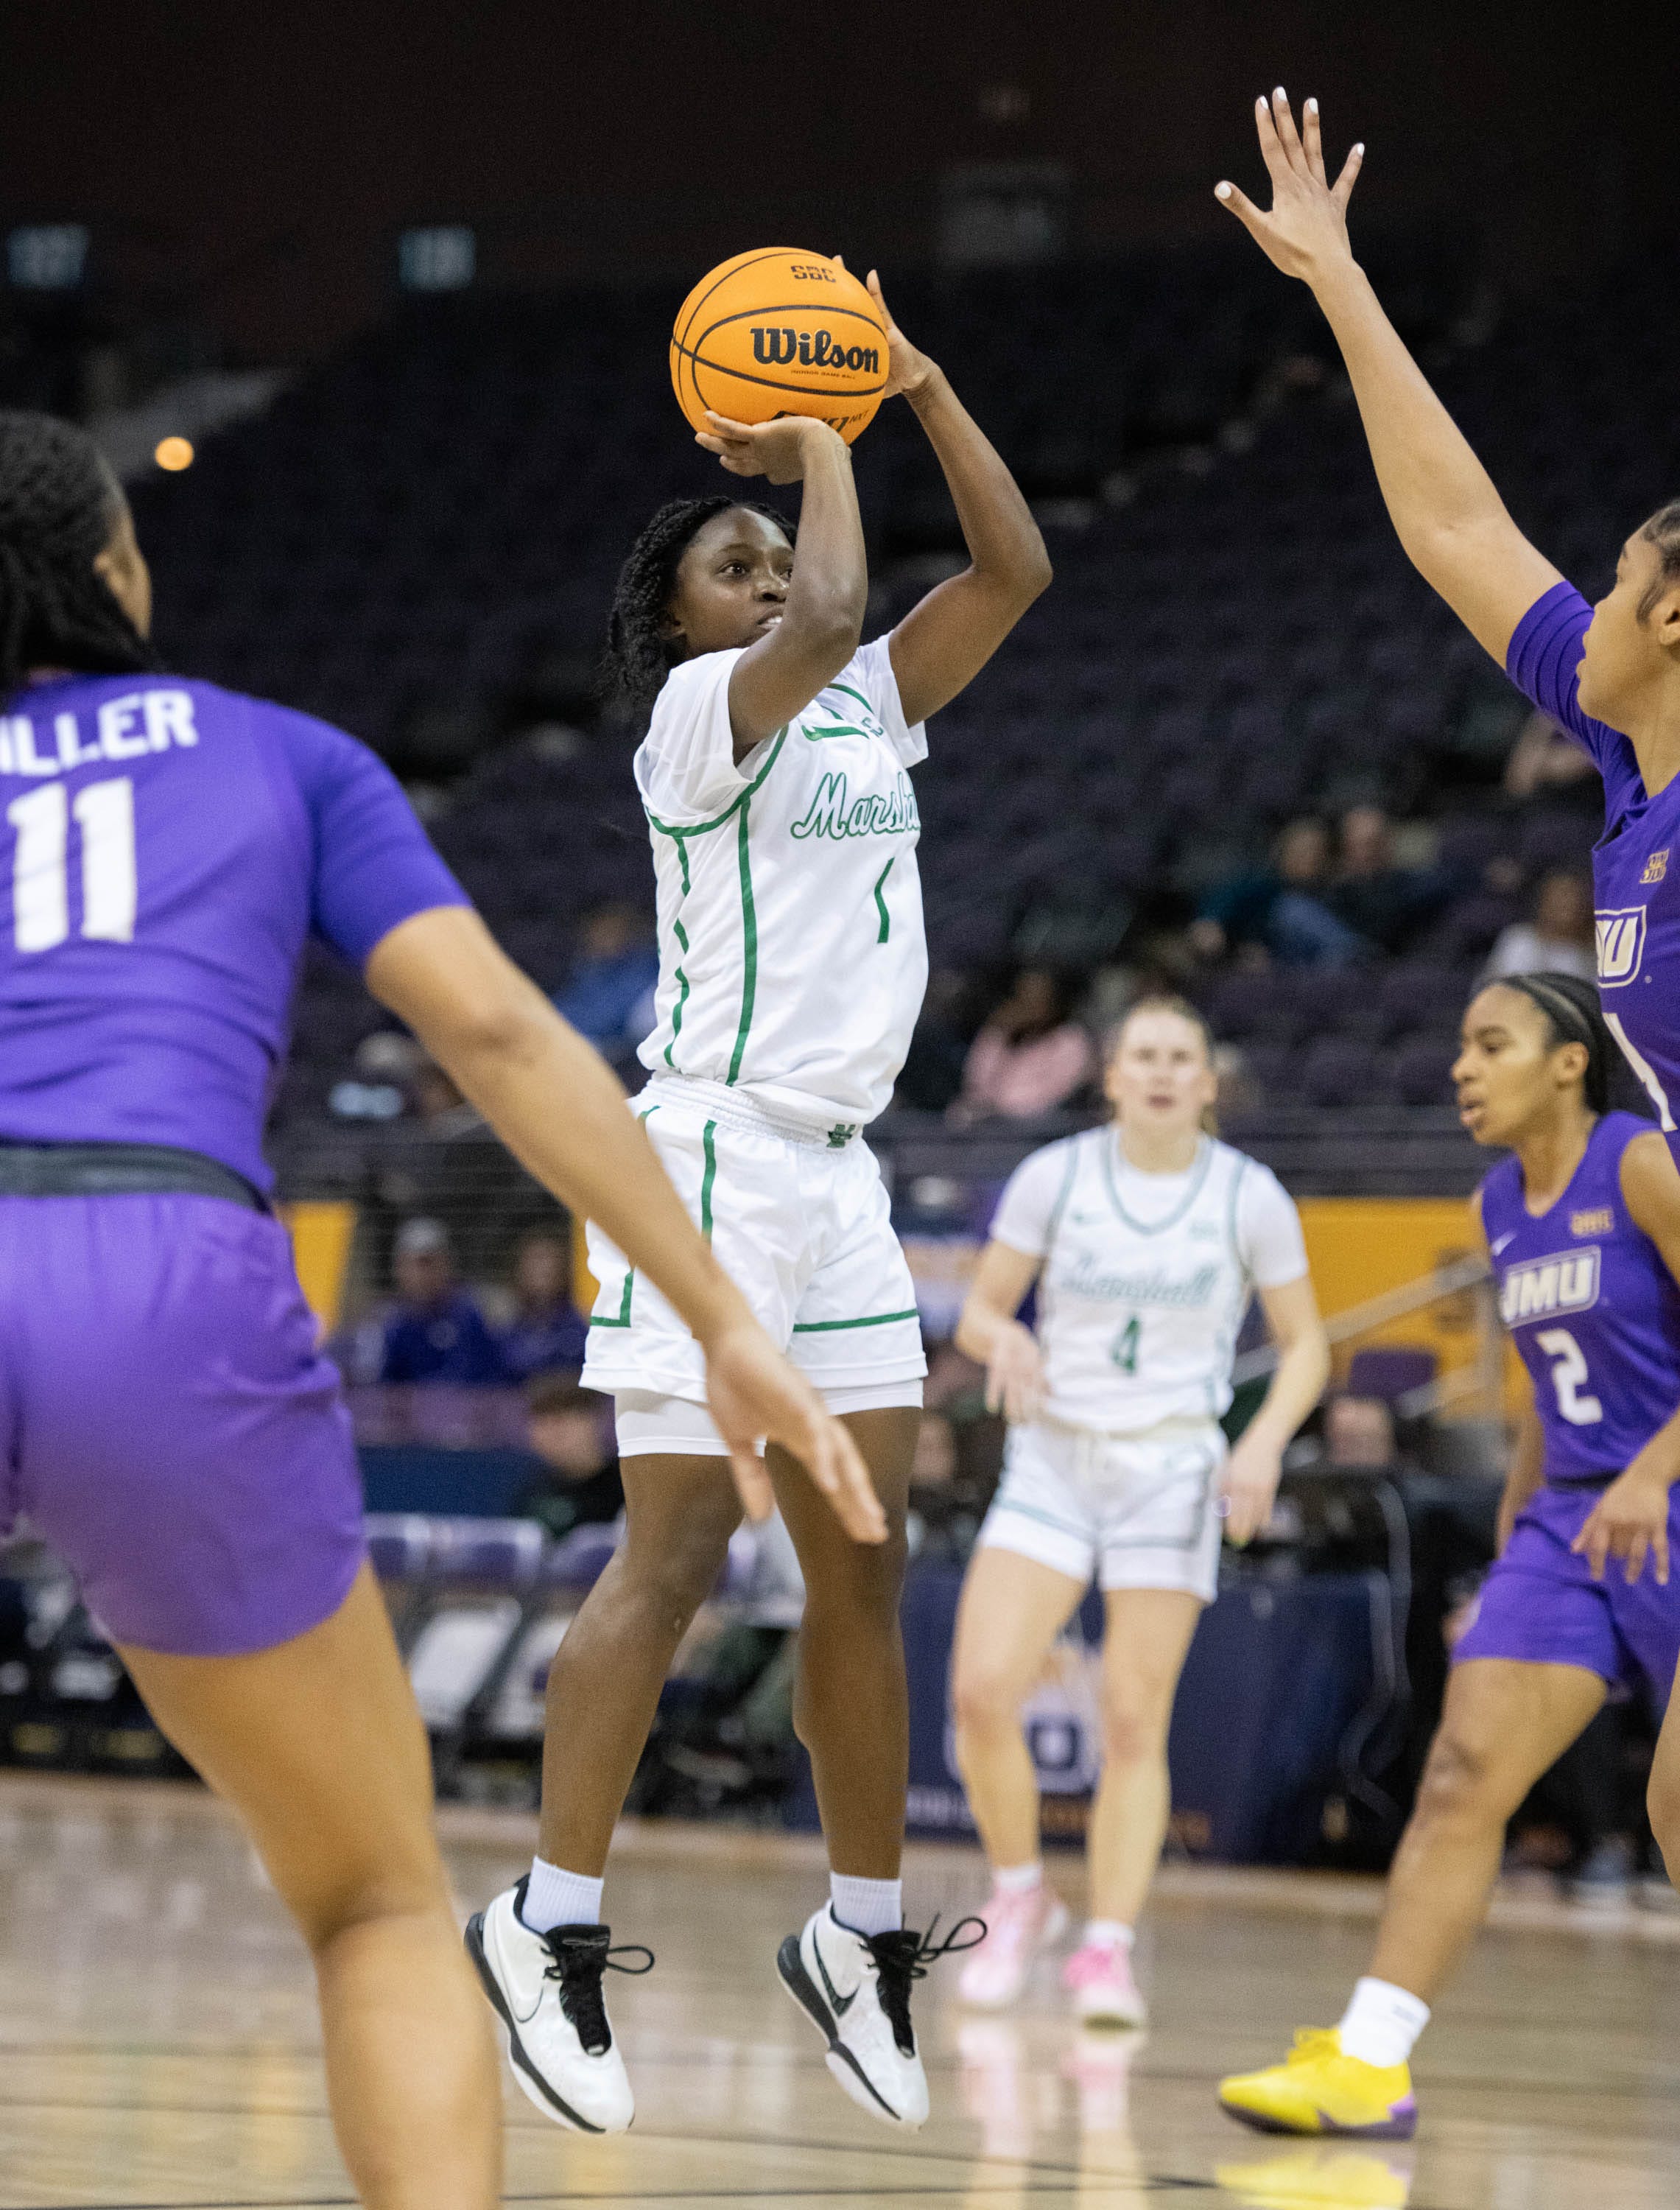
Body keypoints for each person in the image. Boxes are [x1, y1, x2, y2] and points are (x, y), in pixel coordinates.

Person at [0, 410, 880, 2210]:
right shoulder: (279, 755)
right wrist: (715, 1307)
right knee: (377, 1898)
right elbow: (492, 1035)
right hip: (157, 1272)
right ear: (113, 569)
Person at [471, 265, 1052, 2137]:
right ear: (672, 619)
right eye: (719, 559)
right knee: (677, 1549)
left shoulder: (866, 704)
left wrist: (924, 385)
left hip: (840, 1172)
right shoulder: (702, 715)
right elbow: (825, 596)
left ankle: (857, 1932)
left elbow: (1014, 572)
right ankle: (547, 1917)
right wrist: (813, 434)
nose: (762, 573)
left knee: (866, 1556)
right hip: (708, 1152)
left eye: (759, 549)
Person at [1215, 82, 1680, 1887]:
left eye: (1622, 574)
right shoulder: (1629, 751)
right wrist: (1333, 281)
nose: (1589, 591)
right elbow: (1453, 527)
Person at [1219, 975, 1680, 2138]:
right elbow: (1543, 1394)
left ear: (1569, 1061)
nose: (1462, 1068)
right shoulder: (1495, 1203)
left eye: (1492, 1045)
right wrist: (1507, 1556)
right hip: (1573, 1523)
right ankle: (1370, 2063)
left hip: (1665, 1495)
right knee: (1463, 1771)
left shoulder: (1638, 1163)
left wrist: (1650, 1472)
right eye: (1461, 1047)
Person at [947, 997, 1330, 2021]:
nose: (1162, 1073)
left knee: (1130, 1718)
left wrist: (1257, 1444)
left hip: (1170, 1469)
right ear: (1109, 1075)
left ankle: (1108, 1949)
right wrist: (1006, 1340)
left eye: (1181, 1059)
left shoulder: (1248, 1195)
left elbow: (1307, 1350)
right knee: (982, 1691)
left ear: (1208, 1082)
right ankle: (1022, 1894)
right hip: (1055, 1458)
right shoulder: (1054, 1175)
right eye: (1143, 1057)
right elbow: (981, 1310)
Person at [1189, 816, 1368, 968]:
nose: (1308, 858)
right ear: (1284, 852)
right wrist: (1212, 922)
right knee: (1292, 909)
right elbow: (1225, 899)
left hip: (1329, 966)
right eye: (1300, 851)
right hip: (1282, 967)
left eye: (1315, 851)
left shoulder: (1340, 890)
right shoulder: (1265, 886)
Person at [952, 967, 1095, 1122]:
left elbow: (1058, 1095)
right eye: (1023, 996)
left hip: (1038, 1129)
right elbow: (975, 1084)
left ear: (1054, 1003)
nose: (1028, 1004)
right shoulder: (1001, 1032)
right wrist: (999, 1034)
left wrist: (1002, 1107)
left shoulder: (1070, 1039)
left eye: (1037, 998)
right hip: (988, 1123)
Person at [377, 1218, 505, 1386]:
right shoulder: (391, 1322)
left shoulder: (470, 1315)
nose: (420, 1274)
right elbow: (382, 1385)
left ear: (446, 1264)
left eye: (427, 1263)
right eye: (411, 1264)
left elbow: (475, 1378)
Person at [516, 1376, 623, 1542]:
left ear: (595, 1421)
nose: (553, 1433)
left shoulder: (626, 1487)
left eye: (562, 1420)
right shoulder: (533, 1491)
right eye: (543, 1421)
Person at [552, 900, 660, 1061]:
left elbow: (614, 1020)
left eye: (611, 929)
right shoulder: (589, 967)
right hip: (577, 1043)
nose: (600, 936)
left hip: (624, 1058)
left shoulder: (643, 968)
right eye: (595, 929)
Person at [498, 1226, 588, 1382]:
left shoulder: (580, 1327)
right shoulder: (508, 1331)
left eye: (548, 1261)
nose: (542, 1270)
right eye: (535, 1261)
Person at [1482, 867, 1596, 986]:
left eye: (1573, 898)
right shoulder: (1520, 941)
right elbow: (1504, 991)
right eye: (1560, 898)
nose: (1567, 905)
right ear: (1543, 903)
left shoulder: (1590, 953)